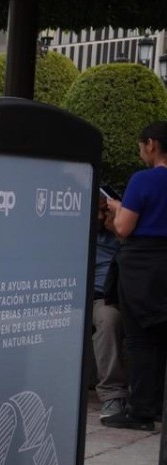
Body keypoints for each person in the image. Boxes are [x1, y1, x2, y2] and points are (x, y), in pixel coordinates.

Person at [102, 121, 167, 430]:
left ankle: (141, 411)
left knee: (141, 340)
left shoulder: (143, 180)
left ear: (151, 144)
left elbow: (124, 229)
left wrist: (116, 209)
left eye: (141, 145)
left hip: (142, 267)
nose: (141, 151)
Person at [91, 197, 127, 417]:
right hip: (66, 294)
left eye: (104, 210)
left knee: (109, 319)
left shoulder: (117, 233)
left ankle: (113, 394)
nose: (100, 217)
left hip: (103, 297)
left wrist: (117, 230)